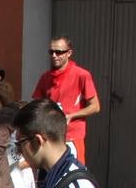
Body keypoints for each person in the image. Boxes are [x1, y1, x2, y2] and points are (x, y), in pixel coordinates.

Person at [32, 35, 100, 163]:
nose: (54, 55)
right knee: (50, 178)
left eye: (59, 52)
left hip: (72, 137)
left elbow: (95, 106)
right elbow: (37, 105)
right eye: (51, 52)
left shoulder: (82, 75)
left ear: (69, 53)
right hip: (50, 136)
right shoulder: (45, 77)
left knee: (73, 175)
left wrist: (71, 116)